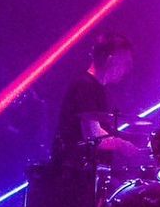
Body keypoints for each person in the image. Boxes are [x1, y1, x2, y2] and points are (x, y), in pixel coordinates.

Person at [52, 32, 141, 167]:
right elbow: (93, 135)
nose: (126, 70)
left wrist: (134, 138)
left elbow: (102, 131)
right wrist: (122, 145)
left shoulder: (97, 88)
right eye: (125, 63)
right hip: (74, 169)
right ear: (111, 60)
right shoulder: (85, 86)